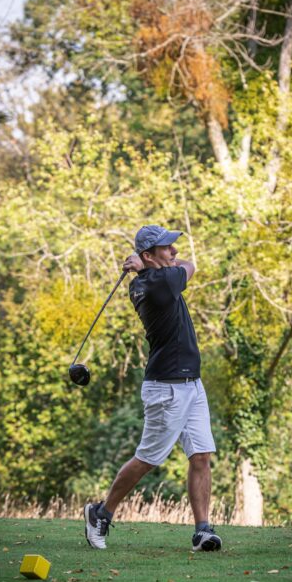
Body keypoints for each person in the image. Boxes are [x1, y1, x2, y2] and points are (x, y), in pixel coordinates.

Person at [83, 224, 222, 552]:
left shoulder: (154, 277)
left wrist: (146, 264)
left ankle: (203, 531)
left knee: (201, 455)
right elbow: (191, 265)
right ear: (148, 255)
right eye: (166, 248)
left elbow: (183, 263)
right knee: (147, 458)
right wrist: (147, 267)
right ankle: (100, 513)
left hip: (192, 384)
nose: (174, 251)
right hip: (166, 388)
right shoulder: (157, 283)